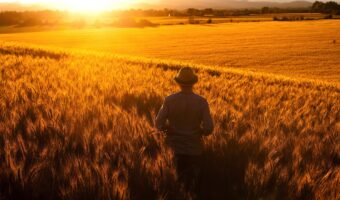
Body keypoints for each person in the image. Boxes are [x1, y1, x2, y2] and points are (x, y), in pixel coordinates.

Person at [155, 67, 214, 189]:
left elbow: (158, 124)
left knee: (175, 185)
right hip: (194, 150)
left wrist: (169, 129)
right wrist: (199, 131)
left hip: (174, 149)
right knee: (193, 186)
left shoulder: (169, 100)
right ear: (193, 82)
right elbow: (208, 129)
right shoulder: (202, 102)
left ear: (178, 82)